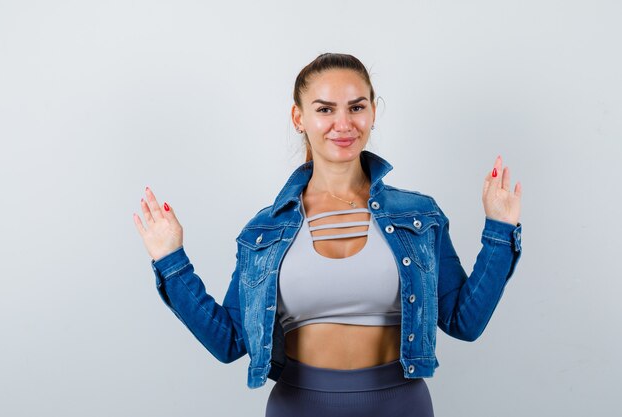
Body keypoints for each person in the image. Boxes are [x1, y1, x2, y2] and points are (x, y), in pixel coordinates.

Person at [133, 53, 523, 417]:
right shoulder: (264, 231)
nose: (344, 123)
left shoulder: (419, 216)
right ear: (299, 117)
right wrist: (171, 261)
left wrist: (499, 230)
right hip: (298, 405)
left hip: (401, 404)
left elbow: (464, 322)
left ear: (373, 112)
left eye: (356, 107)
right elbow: (229, 342)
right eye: (324, 109)